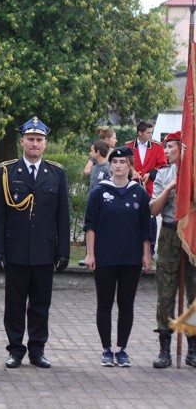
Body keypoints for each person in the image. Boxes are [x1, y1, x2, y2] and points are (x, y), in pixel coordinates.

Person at [0, 117, 70, 369]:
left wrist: (64, 250)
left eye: (39, 140)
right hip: (15, 250)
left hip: (44, 251)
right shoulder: (6, 171)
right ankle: (15, 349)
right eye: (30, 139)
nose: (34, 144)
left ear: (45, 143)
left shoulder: (57, 173)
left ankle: (37, 349)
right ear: (22, 141)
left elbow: (62, 216)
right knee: (14, 304)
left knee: (40, 304)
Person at [84, 146, 152, 367]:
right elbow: (90, 226)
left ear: (129, 165)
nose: (119, 166)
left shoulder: (139, 192)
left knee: (126, 304)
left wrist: (147, 254)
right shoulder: (99, 192)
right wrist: (90, 254)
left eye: (123, 162)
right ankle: (106, 349)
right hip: (105, 257)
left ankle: (122, 349)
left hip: (130, 259)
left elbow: (145, 227)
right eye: (115, 162)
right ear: (110, 165)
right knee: (104, 304)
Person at [149, 131, 196, 368]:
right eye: (165, 147)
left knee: (195, 294)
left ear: (183, 148)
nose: (166, 151)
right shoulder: (163, 174)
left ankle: (193, 348)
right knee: (166, 293)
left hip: (193, 235)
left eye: (171, 147)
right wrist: (169, 188)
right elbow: (153, 210)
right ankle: (165, 349)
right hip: (169, 234)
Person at [125, 120, 167, 256]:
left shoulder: (157, 146)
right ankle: (132, 248)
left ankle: (150, 249)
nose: (151, 135)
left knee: (151, 219)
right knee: (131, 218)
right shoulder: (128, 146)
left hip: (149, 188)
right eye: (148, 132)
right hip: (131, 188)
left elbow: (163, 165)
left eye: (151, 132)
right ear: (140, 133)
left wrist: (150, 173)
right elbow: (123, 162)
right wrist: (132, 171)